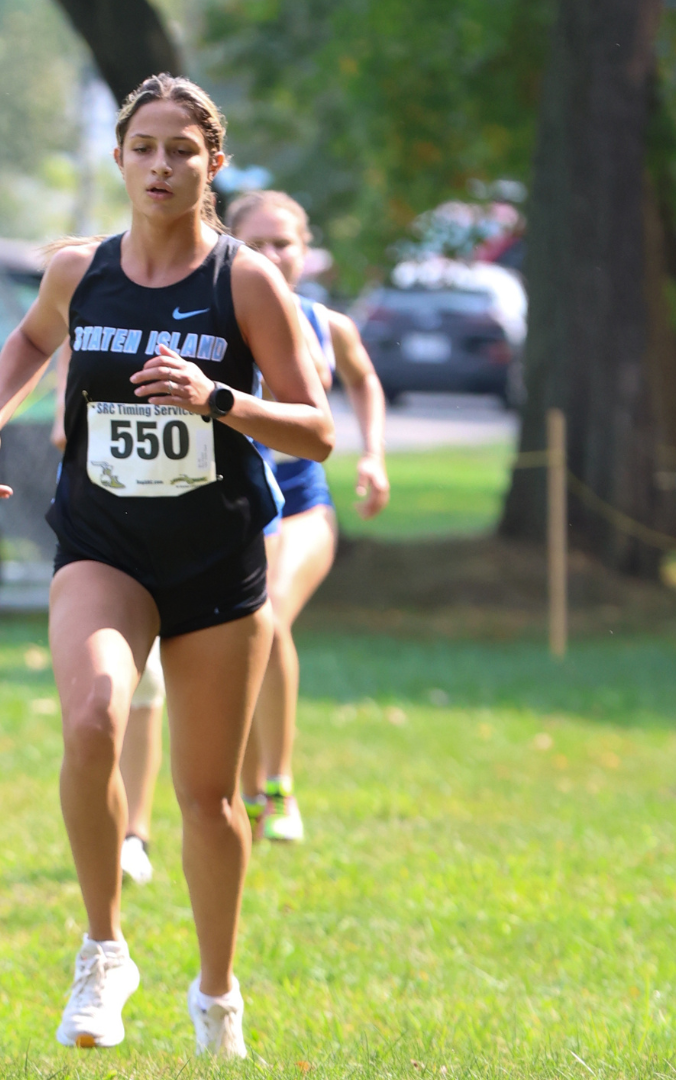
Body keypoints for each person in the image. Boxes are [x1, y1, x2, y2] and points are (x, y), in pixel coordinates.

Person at [0, 73, 333, 1058]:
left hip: (215, 555)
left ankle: (216, 994)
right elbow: (32, 339)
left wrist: (218, 400)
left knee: (207, 798)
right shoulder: (80, 270)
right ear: (118, 159)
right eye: (143, 148)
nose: (161, 166)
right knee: (91, 720)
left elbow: (317, 429)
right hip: (104, 542)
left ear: (214, 161)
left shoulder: (245, 280)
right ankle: (103, 949)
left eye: (182, 149)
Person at [225, 191, 390, 843]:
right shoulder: (215, 317)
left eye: (283, 244)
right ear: (229, 243)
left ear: (304, 249)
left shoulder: (326, 323)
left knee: (264, 618)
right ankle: (237, 795)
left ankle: (278, 787)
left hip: (300, 503)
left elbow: (364, 378)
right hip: (233, 504)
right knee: (240, 638)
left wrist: (373, 455)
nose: (271, 256)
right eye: (256, 244)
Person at [51, 347, 165, 886]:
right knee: (100, 704)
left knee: (149, 691)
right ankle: (118, 836)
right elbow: (61, 432)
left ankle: (135, 832)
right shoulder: (85, 314)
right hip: (101, 533)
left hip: (182, 536)